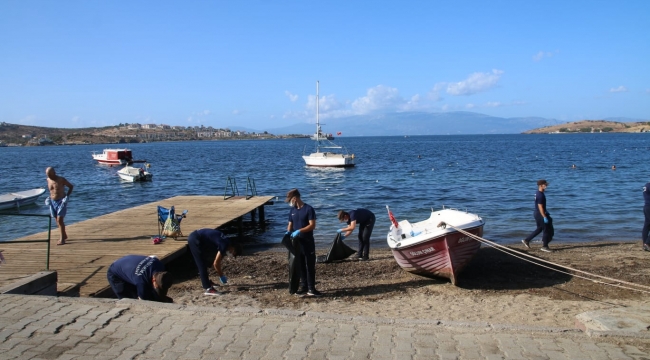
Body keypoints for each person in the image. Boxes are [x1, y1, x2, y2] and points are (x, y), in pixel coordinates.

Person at [285, 188, 321, 297]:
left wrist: (299, 230)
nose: (290, 202)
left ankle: (311, 288)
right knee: (300, 265)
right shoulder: (292, 211)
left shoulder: (308, 209)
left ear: (295, 198)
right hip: (297, 243)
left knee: (309, 265)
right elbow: (290, 224)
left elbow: (312, 225)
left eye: (290, 200)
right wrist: (288, 233)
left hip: (308, 241)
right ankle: (304, 286)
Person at [187, 228, 242, 296]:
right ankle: (208, 288)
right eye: (233, 253)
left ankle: (207, 282)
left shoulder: (227, 241)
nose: (231, 254)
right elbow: (216, 264)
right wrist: (221, 276)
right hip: (195, 239)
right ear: (233, 248)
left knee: (207, 260)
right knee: (201, 264)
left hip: (200, 238)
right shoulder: (224, 245)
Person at [106, 255, 173, 302]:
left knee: (148, 291)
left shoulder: (159, 265)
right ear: (153, 280)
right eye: (157, 287)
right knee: (128, 300)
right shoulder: (141, 282)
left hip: (128, 261)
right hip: (115, 271)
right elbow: (142, 302)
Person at [522, 179, 554, 252]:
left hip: (537, 213)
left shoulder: (538, 193)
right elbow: (540, 206)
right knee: (546, 229)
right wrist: (544, 216)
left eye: (546, 184)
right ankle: (545, 246)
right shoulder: (540, 195)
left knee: (540, 228)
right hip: (540, 213)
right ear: (540, 185)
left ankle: (527, 240)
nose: (546, 186)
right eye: (545, 185)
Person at [45, 167, 74, 245]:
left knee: (59, 220)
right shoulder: (48, 180)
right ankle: (64, 235)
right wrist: (49, 198)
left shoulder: (61, 179)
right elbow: (51, 190)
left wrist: (67, 196)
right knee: (56, 220)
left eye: (50, 175)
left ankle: (62, 239)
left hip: (61, 201)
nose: (49, 177)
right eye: (48, 175)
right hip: (52, 201)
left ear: (54, 173)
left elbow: (71, 186)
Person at [642, 182, 650, 252]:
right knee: (647, 225)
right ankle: (647, 243)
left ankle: (645, 244)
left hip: (646, 206)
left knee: (647, 226)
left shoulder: (646, 185)